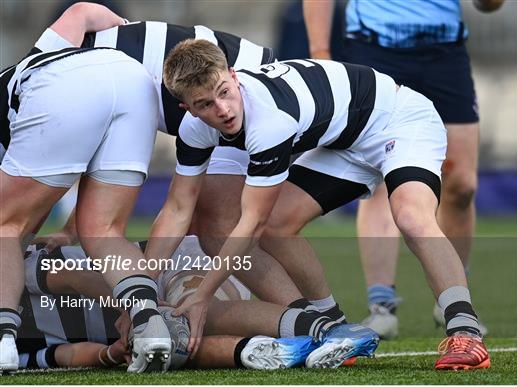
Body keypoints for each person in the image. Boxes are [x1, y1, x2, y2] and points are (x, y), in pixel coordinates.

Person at [153, 38, 491, 370]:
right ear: (188, 109)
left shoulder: (269, 120)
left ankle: (466, 333)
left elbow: (250, 224)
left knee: (411, 216)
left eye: (224, 92)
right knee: (277, 226)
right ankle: (336, 328)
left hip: (399, 120)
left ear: (234, 75)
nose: (222, 110)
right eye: (204, 104)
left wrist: (201, 298)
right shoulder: (194, 130)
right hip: (344, 141)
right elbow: (177, 209)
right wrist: (140, 293)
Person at [28, 2, 318, 310]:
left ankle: (309, 322)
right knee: (212, 226)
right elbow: (82, 12)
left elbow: (49, 178)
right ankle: (310, 315)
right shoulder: (42, 65)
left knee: (219, 229)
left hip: (244, 93)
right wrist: (136, 33)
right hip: (244, 81)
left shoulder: (43, 93)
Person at [303, 0, 505, 339]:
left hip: (444, 51)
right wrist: (321, 52)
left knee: (461, 185)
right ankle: (382, 307)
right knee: (379, 180)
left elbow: (488, 6)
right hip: (373, 48)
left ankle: (452, 300)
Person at [0, 43, 172, 372]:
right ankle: (149, 324)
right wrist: (65, 231)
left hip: (66, 87)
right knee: (103, 231)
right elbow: (83, 12)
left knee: (5, 224)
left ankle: (2, 340)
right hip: (133, 79)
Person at [17, 239, 378, 370]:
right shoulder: (10, 347)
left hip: (164, 271)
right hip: (138, 329)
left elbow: (75, 277)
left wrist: (143, 311)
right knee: (173, 346)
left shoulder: (14, 267)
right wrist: (110, 354)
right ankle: (264, 352)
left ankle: (331, 329)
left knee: (187, 312)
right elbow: (56, 358)